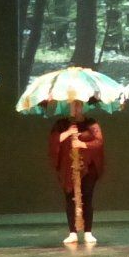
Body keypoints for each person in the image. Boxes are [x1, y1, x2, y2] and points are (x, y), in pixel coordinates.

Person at [49, 98, 104, 246]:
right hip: (69, 168)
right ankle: (72, 232)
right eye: (73, 104)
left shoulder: (90, 123)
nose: (76, 107)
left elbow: (99, 142)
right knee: (70, 198)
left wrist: (82, 144)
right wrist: (68, 132)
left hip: (87, 168)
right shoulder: (61, 124)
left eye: (79, 104)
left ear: (83, 106)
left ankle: (88, 232)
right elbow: (54, 141)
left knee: (87, 197)